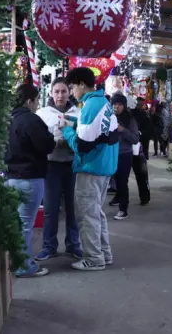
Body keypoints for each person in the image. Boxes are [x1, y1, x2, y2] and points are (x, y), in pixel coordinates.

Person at [61, 67, 118, 271]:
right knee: (97, 213)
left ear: (82, 84)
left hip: (90, 168)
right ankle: (104, 253)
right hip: (103, 167)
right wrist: (75, 122)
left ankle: (94, 258)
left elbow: (81, 145)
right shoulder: (103, 102)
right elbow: (99, 133)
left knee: (88, 215)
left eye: (72, 86)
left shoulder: (91, 105)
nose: (71, 91)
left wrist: (66, 130)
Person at [5, 84, 56, 278]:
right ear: (29, 101)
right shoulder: (31, 120)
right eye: (36, 101)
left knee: (18, 224)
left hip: (11, 178)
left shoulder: (8, 119)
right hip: (29, 177)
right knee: (25, 225)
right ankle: (24, 266)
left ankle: (17, 261)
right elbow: (46, 145)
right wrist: (51, 135)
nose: (36, 105)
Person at [35, 78, 83, 261]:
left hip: (73, 165)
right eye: (57, 91)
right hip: (51, 165)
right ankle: (49, 246)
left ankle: (73, 244)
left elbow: (83, 138)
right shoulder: (42, 114)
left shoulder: (78, 113)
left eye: (63, 91)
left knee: (73, 207)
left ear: (69, 92)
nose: (60, 95)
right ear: (51, 93)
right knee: (50, 208)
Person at [108, 93, 139, 219]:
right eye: (114, 104)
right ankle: (118, 197)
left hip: (125, 154)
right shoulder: (109, 117)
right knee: (114, 179)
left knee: (122, 181)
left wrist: (123, 130)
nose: (117, 107)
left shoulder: (129, 119)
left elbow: (135, 139)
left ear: (124, 106)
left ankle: (123, 209)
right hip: (111, 153)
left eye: (120, 104)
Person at [129, 96, 151, 205]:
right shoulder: (126, 116)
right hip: (128, 150)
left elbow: (148, 132)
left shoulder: (142, 116)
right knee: (140, 175)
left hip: (139, 149)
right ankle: (144, 197)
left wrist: (139, 135)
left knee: (141, 174)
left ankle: (145, 196)